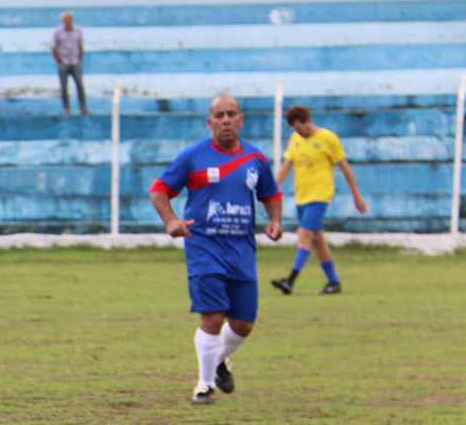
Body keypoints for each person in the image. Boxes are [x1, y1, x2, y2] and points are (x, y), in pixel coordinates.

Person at [148, 93, 283, 405]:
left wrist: (275, 221)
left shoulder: (256, 159)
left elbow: (271, 193)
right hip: (204, 247)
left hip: (242, 249)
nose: (225, 120)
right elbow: (158, 191)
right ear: (210, 122)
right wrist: (171, 221)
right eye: (219, 115)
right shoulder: (192, 157)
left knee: (243, 324)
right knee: (213, 317)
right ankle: (204, 384)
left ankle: (219, 359)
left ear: (241, 120)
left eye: (231, 114)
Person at [270, 105, 368, 296]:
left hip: (320, 196)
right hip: (302, 197)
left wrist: (356, 196)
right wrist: (271, 190)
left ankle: (289, 281)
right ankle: (333, 282)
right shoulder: (295, 140)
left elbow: (345, 168)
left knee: (304, 234)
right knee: (317, 241)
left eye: (300, 128)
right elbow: (285, 167)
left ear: (308, 121)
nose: (299, 133)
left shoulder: (328, 138)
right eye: (295, 130)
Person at [51, 12, 87, 116]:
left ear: (71, 19)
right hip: (63, 62)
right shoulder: (58, 32)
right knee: (63, 88)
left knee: (80, 86)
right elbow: (54, 47)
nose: (67, 21)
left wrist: (79, 58)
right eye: (65, 20)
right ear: (63, 21)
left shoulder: (78, 30)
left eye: (69, 19)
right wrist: (59, 60)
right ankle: (66, 109)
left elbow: (80, 45)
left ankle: (83, 108)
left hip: (75, 62)